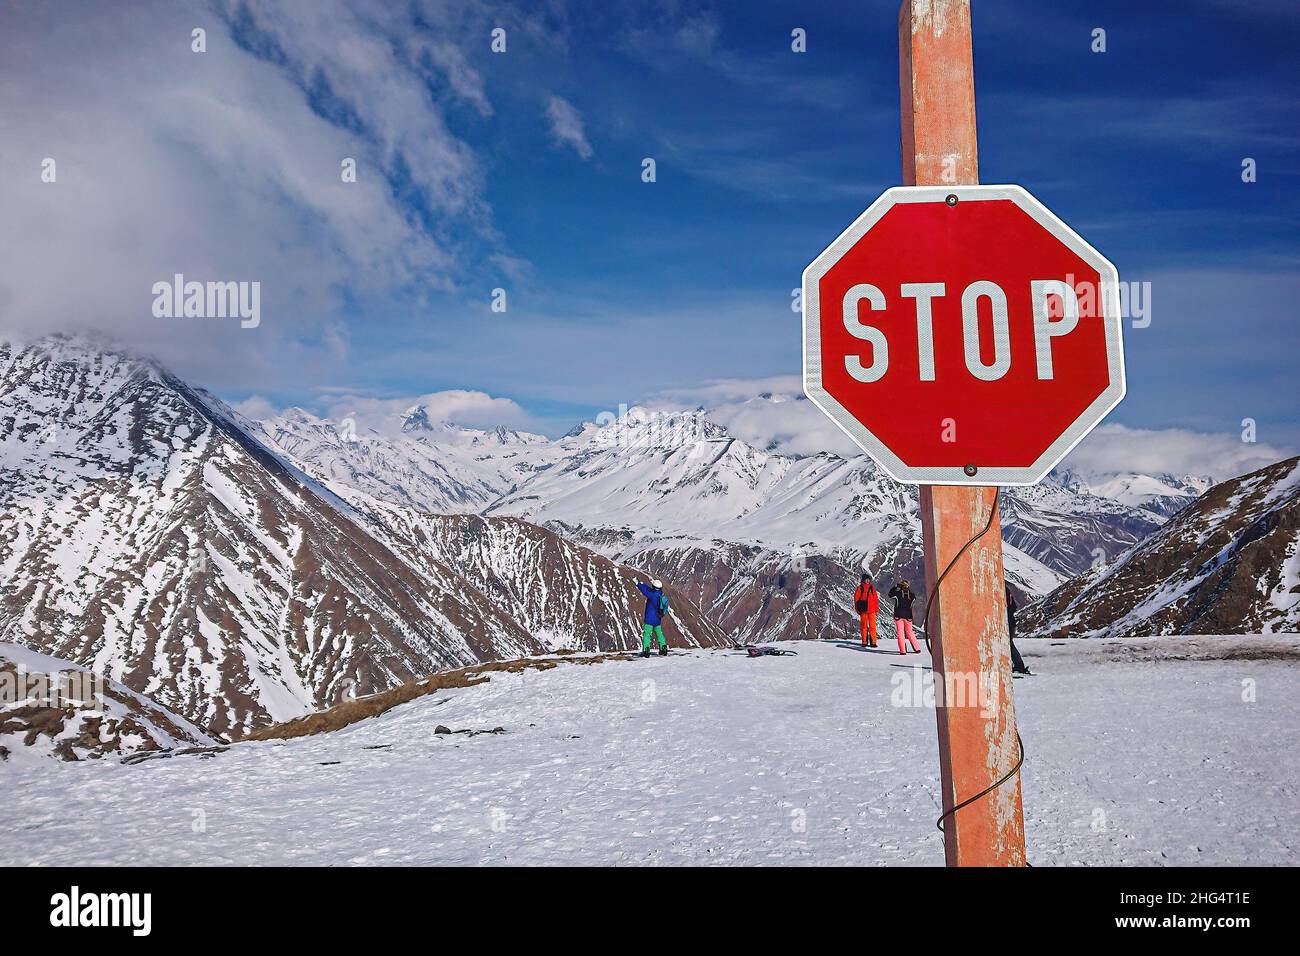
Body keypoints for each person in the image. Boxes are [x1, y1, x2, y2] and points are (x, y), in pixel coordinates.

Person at [636, 578, 670, 657]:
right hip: (657, 619)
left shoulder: (652, 595)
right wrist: (642, 583)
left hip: (649, 619)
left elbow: (645, 591)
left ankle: (646, 650)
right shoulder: (660, 594)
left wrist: (638, 584)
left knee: (647, 634)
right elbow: (649, 589)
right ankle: (663, 648)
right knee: (659, 634)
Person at [888, 580, 921, 655]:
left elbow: (890, 595)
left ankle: (902, 650)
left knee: (900, 633)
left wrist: (895, 587)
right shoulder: (912, 596)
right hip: (908, 616)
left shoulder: (897, 594)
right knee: (910, 632)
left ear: (901, 585)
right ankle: (917, 648)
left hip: (898, 616)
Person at [1006, 583, 1031, 675]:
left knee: (1008, 644)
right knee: (1009, 644)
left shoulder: (1002, 590)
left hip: (1008, 623)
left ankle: (1018, 665)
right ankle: (1018, 665)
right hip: (1011, 623)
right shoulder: (1006, 590)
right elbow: (1012, 607)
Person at [853, 573, 879, 647]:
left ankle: (873, 642)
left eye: (868, 579)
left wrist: (876, 609)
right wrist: (857, 609)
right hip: (863, 610)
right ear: (863, 580)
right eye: (866, 579)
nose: (867, 581)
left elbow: (875, 600)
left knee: (872, 627)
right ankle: (864, 642)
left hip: (871, 611)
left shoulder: (872, 588)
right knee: (864, 627)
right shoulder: (860, 588)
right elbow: (856, 599)